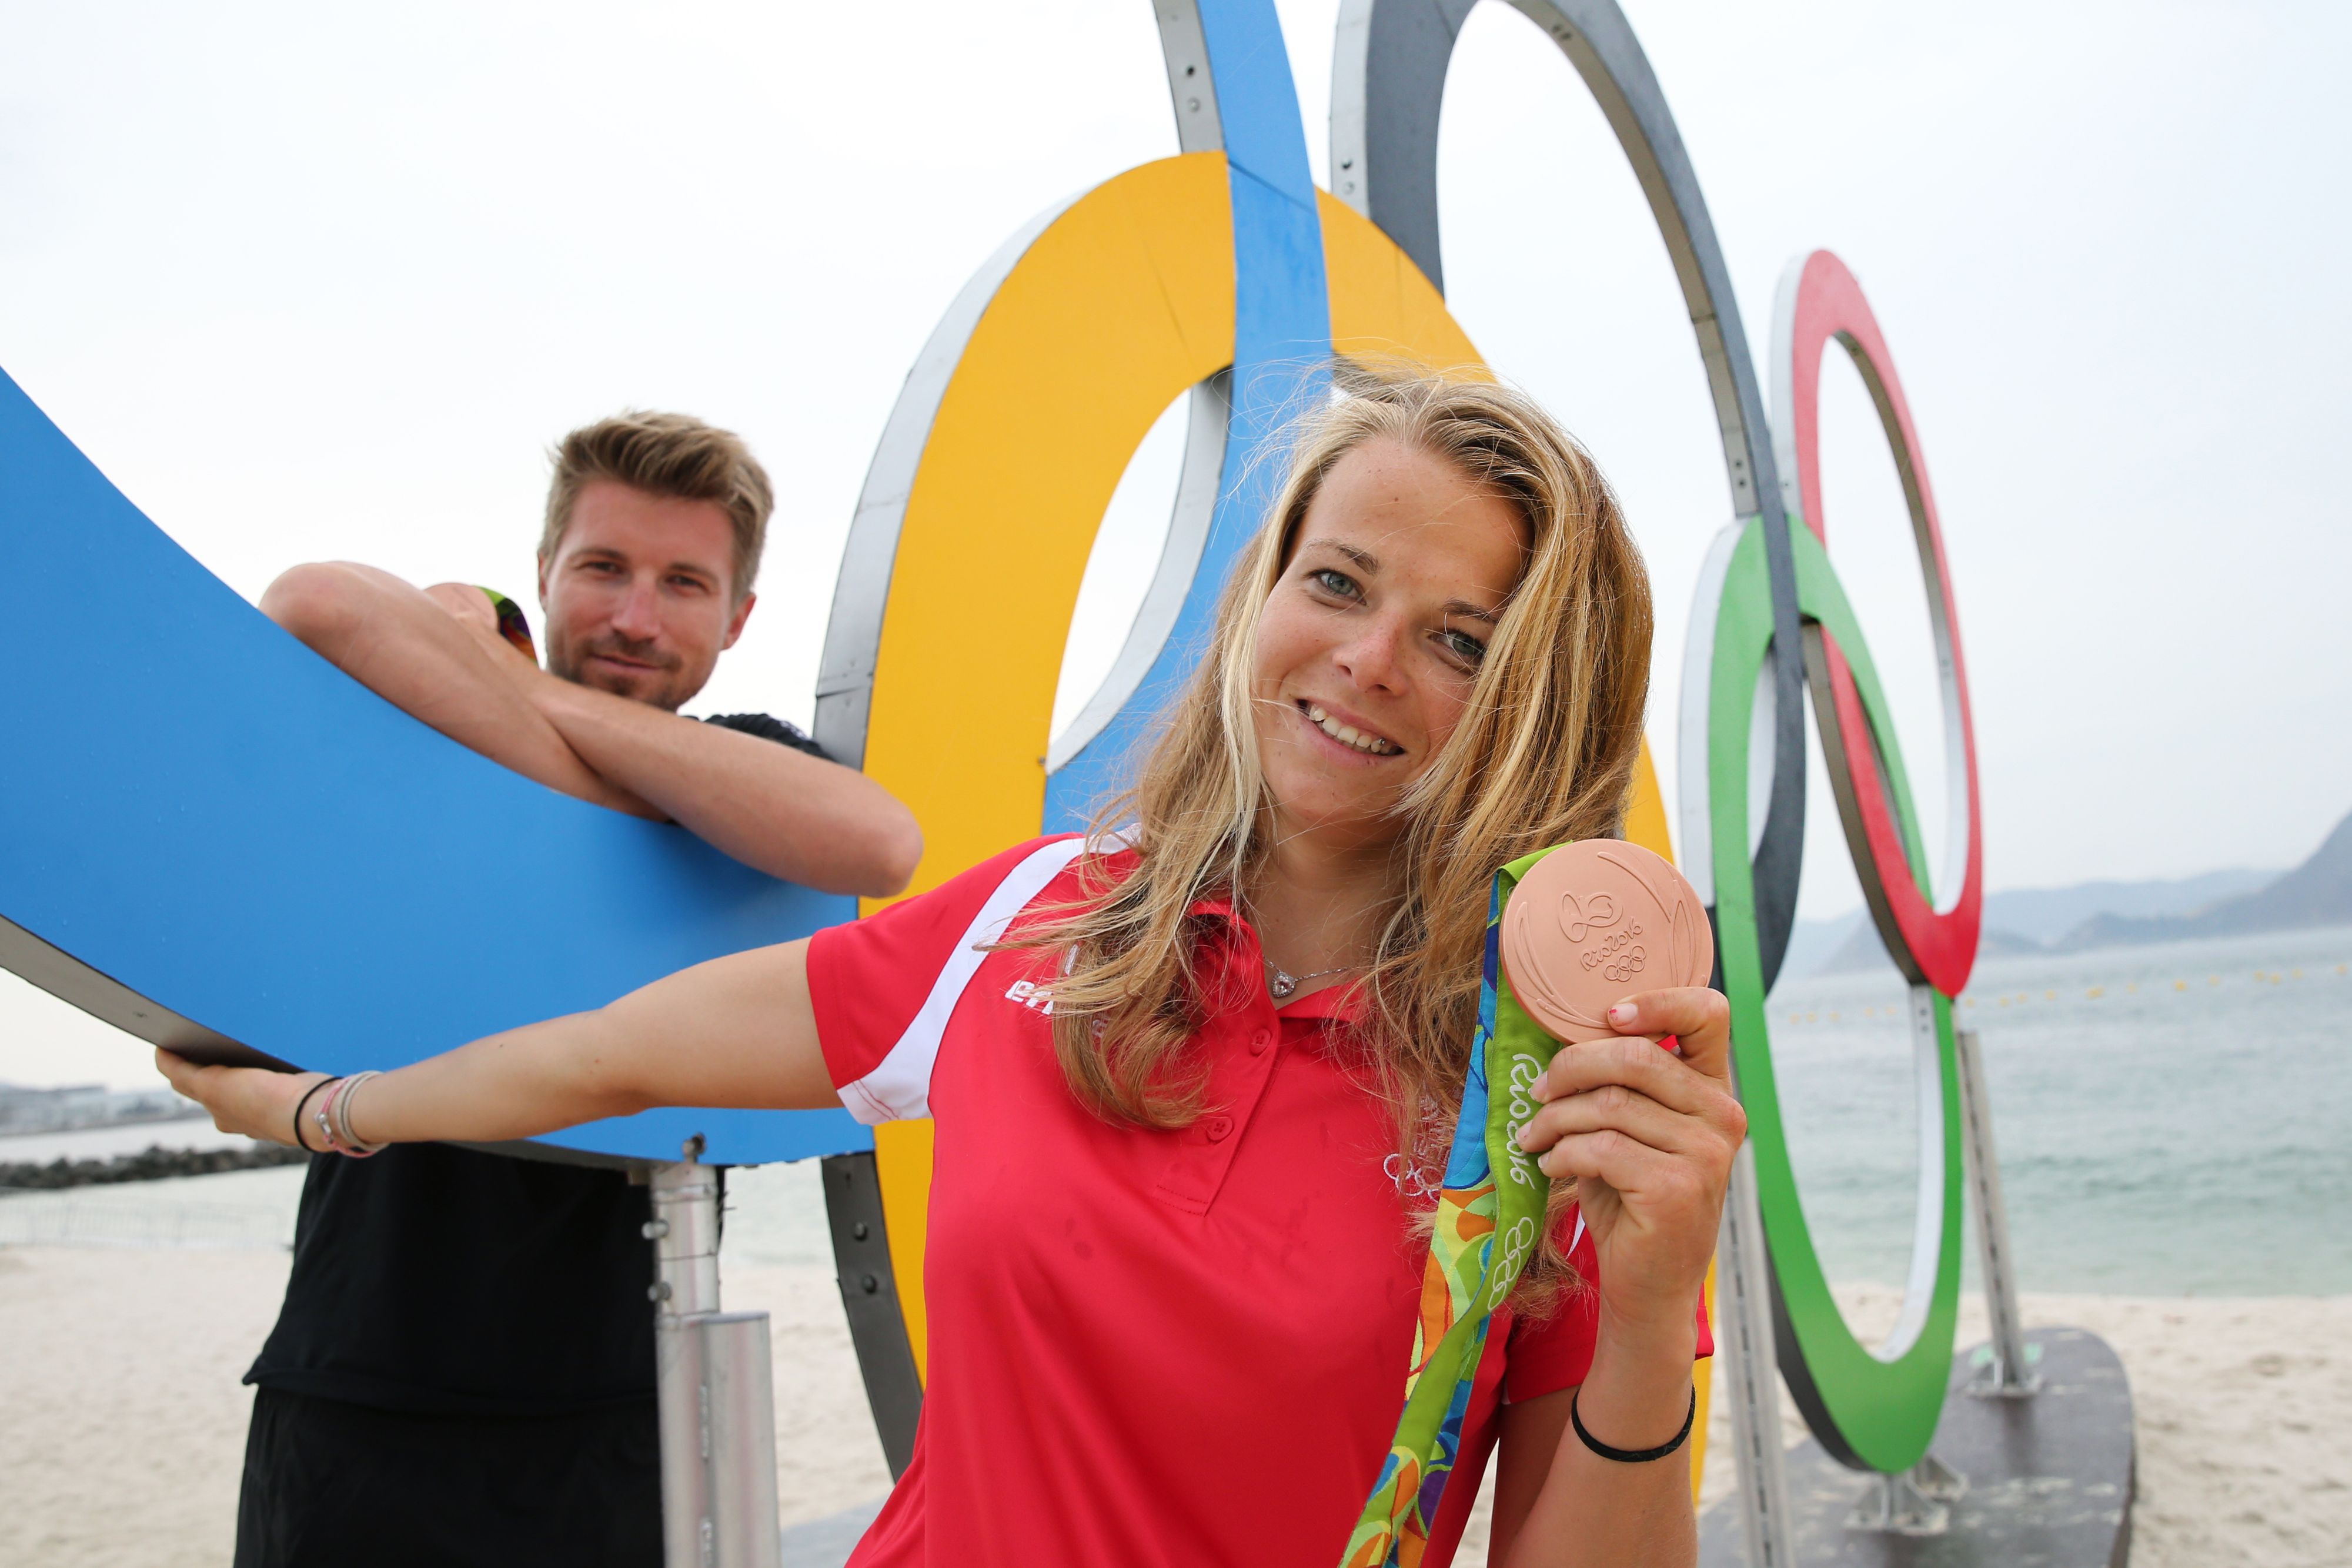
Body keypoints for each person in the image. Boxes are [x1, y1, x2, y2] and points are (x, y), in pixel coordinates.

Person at [169, 373, 1744, 1568]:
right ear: (1265, 594)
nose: (1369, 657)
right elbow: (612, 1052)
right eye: (1335, 581)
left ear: (1536, 700)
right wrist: (328, 1107)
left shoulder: (1551, 1075)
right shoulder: (1046, 920)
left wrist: (1654, 1294)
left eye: (1463, 637)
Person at [229, 411, 922, 1568]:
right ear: (543, 572)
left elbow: (880, 839)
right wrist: (576, 742)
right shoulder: (439, 758)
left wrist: (516, 692)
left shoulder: (747, 760)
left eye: (682, 582)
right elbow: (318, 603)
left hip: (622, 1401)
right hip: (362, 1383)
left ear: (736, 618)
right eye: (602, 567)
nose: (634, 616)